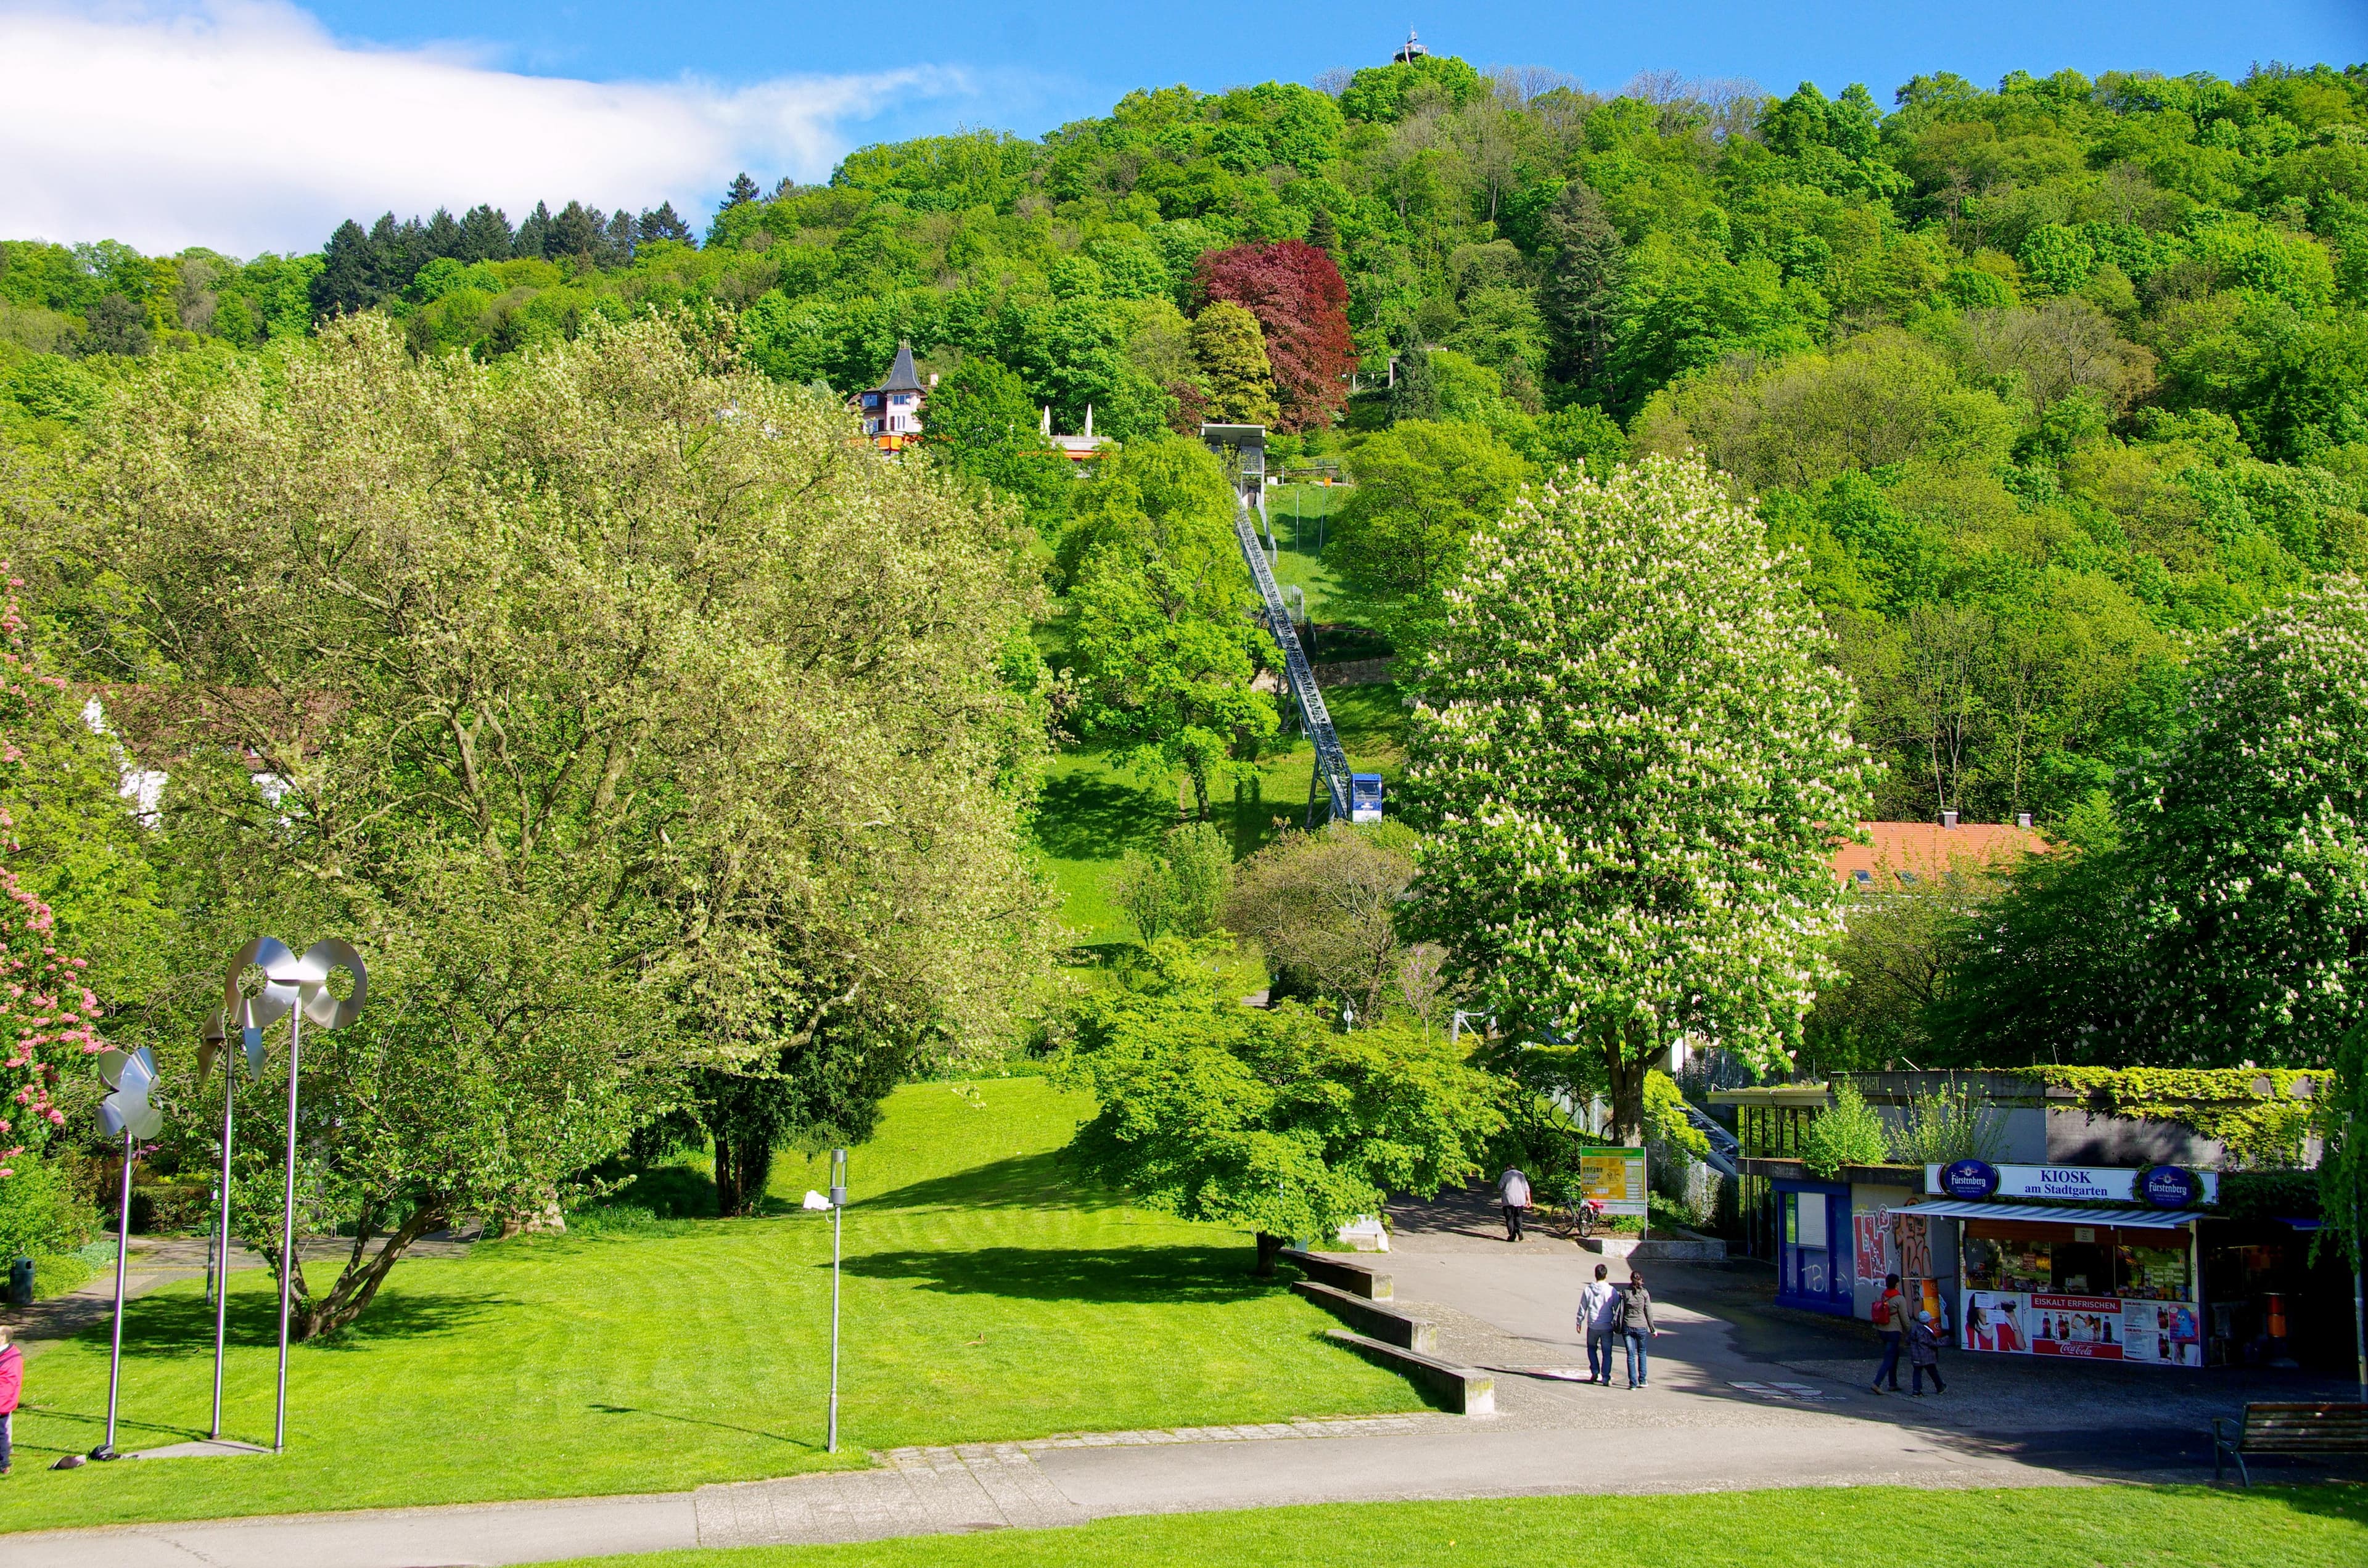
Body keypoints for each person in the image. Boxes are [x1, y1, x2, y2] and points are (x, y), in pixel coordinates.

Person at [1577, 1262, 1619, 1385]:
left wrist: (1579, 1321)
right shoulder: (1611, 1290)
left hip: (1593, 1324)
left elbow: (1582, 1307)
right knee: (1607, 1352)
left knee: (1591, 1348)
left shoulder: (1588, 1289)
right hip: (1607, 1325)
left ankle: (1595, 1371)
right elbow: (1617, 1307)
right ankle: (1606, 1377)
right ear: (1606, 1275)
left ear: (1595, 1275)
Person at [1618, 1269, 1658, 1388]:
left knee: (1630, 1355)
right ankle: (1643, 1380)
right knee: (1642, 1352)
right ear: (1641, 1280)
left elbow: (1620, 1310)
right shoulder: (1645, 1294)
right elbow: (1648, 1313)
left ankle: (1633, 1383)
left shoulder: (1625, 1293)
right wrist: (1653, 1329)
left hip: (1628, 1326)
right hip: (1641, 1326)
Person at [1869, 1272, 1906, 1394]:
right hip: (1893, 1331)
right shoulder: (1899, 1299)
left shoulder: (1884, 1296)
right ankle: (1877, 1383)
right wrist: (1909, 1330)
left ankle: (1893, 1383)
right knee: (1889, 1357)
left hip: (1882, 1329)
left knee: (1895, 1355)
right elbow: (1904, 1318)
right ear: (1897, 1284)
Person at [1909, 1309, 1946, 1395]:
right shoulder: (1926, 1332)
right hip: (1927, 1355)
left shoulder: (1914, 1329)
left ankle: (1916, 1390)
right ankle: (1940, 1387)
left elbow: (1909, 1340)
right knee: (1933, 1371)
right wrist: (1945, 1341)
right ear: (1928, 1321)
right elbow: (1932, 1343)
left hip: (1916, 1355)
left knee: (1917, 1372)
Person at [0, 1324, 19, 1477]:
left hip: (2, 1403)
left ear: (3, 1338)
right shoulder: (7, 1354)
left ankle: (4, 1464)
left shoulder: (10, 1357)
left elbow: (7, 1384)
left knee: (1, 1434)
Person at [1497, 1165, 1532, 1242]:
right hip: (1520, 1199)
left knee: (1509, 1218)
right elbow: (1527, 1188)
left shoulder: (1505, 1174)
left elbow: (1500, 1186)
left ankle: (1512, 1235)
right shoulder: (1521, 1175)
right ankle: (1519, 1230)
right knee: (1518, 1216)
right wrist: (1529, 1200)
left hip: (1508, 1199)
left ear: (1507, 1168)